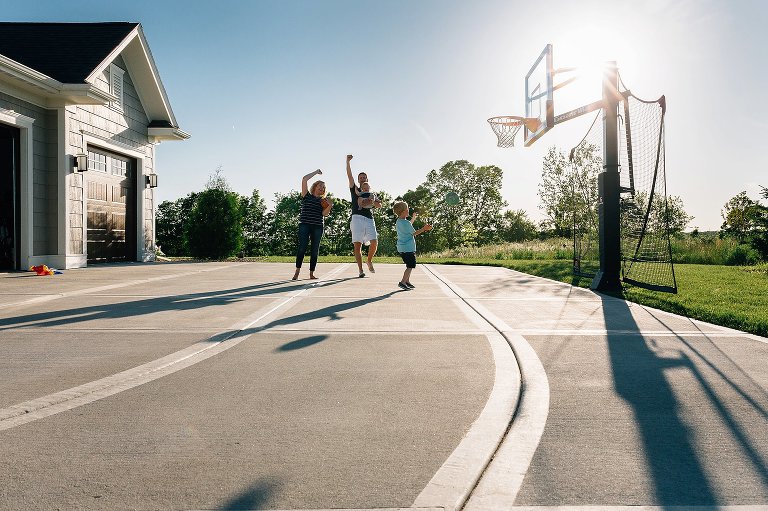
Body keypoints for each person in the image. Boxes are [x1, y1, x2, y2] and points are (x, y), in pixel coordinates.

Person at [293, 169, 332, 280]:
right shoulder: (306, 195)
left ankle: (311, 274)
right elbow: (304, 179)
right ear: (315, 186)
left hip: (318, 226)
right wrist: (315, 172)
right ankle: (297, 272)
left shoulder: (323, 201)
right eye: (320, 185)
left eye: (324, 187)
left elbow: (324, 214)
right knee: (302, 247)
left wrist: (329, 206)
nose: (322, 188)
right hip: (304, 224)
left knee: (315, 249)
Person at [346, 154, 381, 277]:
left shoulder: (371, 193)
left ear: (367, 179)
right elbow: (349, 176)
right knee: (357, 244)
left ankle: (369, 260)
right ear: (358, 179)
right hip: (357, 218)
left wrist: (373, 202)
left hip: (369, 218)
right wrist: (348, 162)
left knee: (374, 242)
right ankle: (360, 270)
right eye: (360, 177)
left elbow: (379, 205)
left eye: (364, 177)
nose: (362, 178)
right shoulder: (354, 189)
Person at [393, 200, 432, 290]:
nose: (409, 210)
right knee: (410, 266)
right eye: (407, 209)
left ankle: (407, 281)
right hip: (408, 248)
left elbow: (409, 225)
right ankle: (402, 282)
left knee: (409, 265)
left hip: (402, 248)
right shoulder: (406, 223)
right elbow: (414, 233)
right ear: (404, 211)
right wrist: (424, 228)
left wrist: (413, 217)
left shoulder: (399, 221)